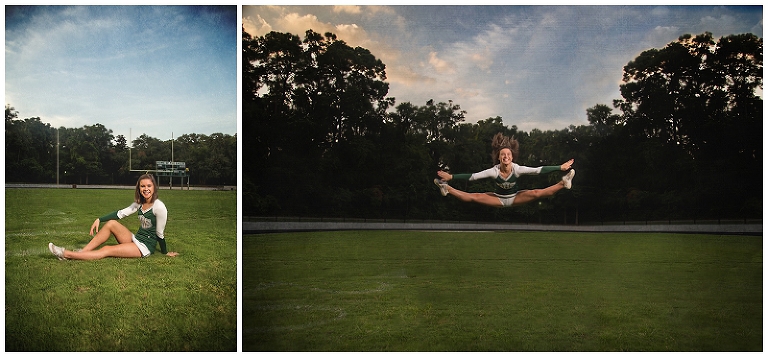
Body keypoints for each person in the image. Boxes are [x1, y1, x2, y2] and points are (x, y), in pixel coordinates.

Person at [48, 173, 179, 260]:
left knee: (107, 249)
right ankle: (82, 252)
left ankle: (66, 254)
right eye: (142, 186)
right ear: (139, 188)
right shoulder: (139, 203)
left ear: (154, 188)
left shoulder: (159, 207)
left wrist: (165, 252)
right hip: (135, 238)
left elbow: (160, 234)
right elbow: (120, 213)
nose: (146, 189)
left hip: (144, 247)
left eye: (149, 186)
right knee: (111, 223)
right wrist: (99, 219)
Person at [433, 132, 575, 208]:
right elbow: (473, 176)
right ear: (499, 158)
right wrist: (451, 177)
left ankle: (563, 182)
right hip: (498, 198)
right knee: (473, 197)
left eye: (508, 154)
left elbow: (538, 170)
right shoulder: (494, 171)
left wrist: (559, 168)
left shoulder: (517, 169)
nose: (506, 156)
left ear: (512, 157)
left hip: (515, 197)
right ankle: (447, 188)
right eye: (503, 154)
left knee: (537, 193)